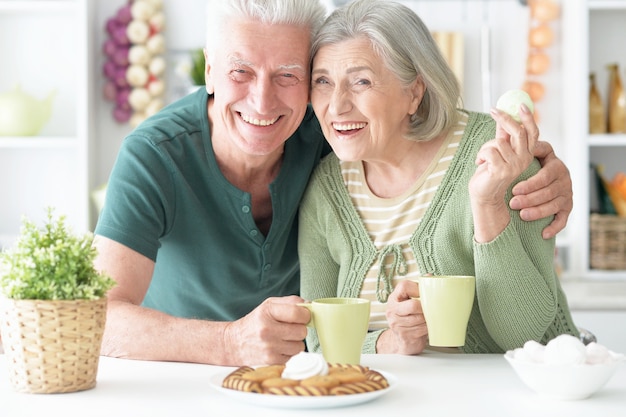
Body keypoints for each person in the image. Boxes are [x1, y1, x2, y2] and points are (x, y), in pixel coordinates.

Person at [92, 0, 573, 366]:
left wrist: (529, 181)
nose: (262, 101)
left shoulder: (327, 136)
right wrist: (229, 341)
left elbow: (525, 332)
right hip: (187, 374)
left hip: (496, 387)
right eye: (241, 71)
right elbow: (97, 320)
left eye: (288, 75)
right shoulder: (157, 155)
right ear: (210, 69)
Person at [298, 0, 579, 357]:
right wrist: (392, 341)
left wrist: (488, 202)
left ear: (414, 92)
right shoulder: (326, 190)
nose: (336, 106)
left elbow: (522, 335)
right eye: (322, 81)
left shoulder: (498, 155)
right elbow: (319, 344)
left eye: (361, 81)